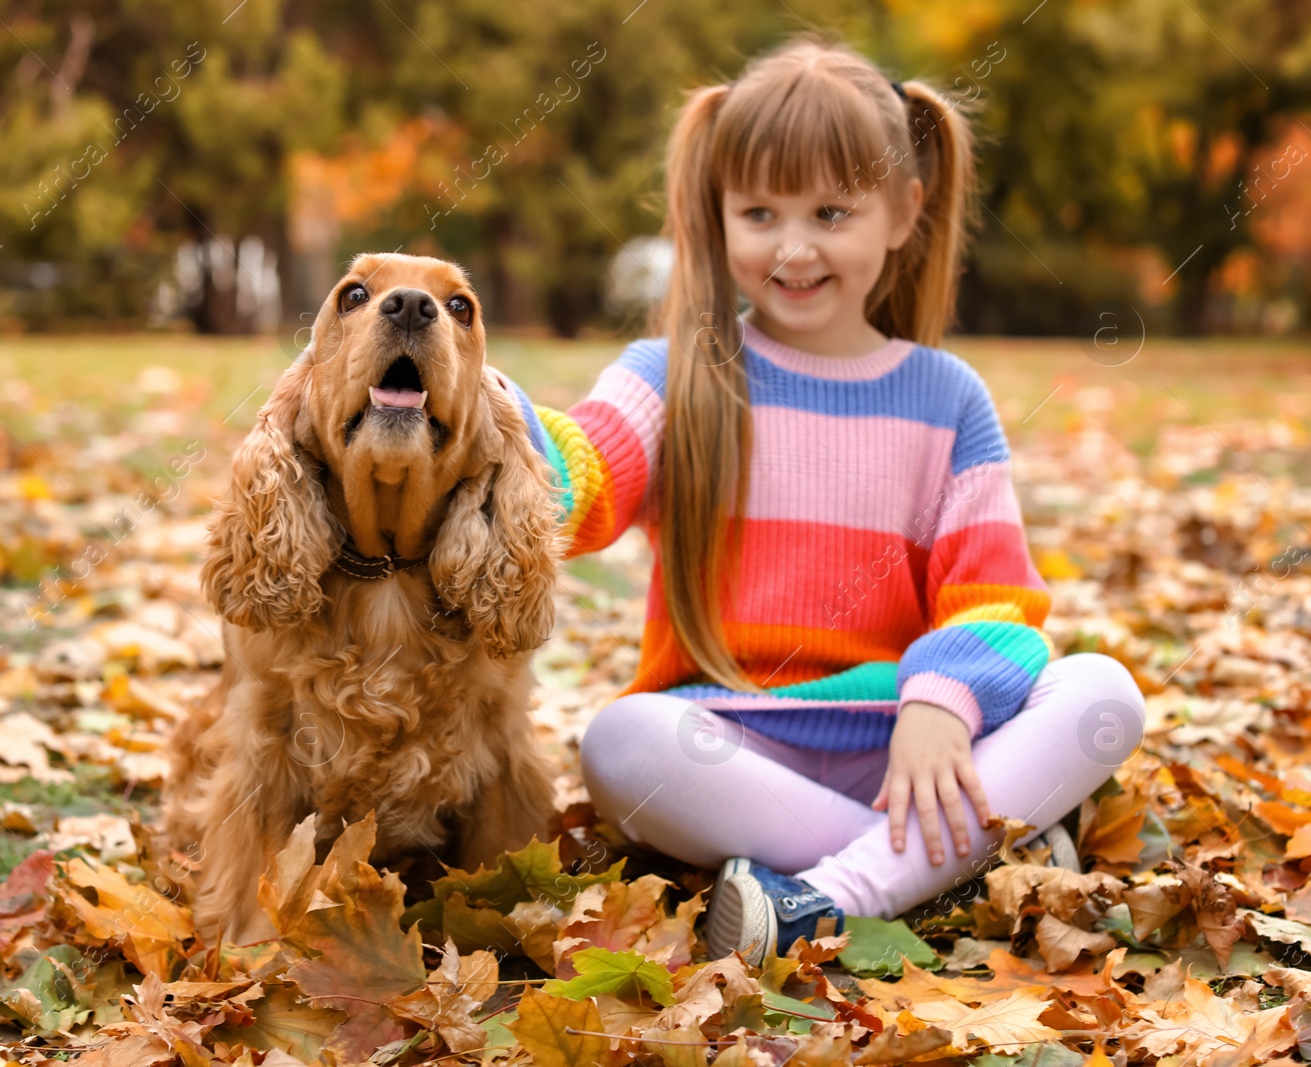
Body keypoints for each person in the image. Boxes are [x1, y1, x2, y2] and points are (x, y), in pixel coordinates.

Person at [488, 34, 1147, 962]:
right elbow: (586, 472)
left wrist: (940, 702)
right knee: (622, 743)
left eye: (831, 212)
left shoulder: (946, 397)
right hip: (738, 741)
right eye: (759, 212)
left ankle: (830, 895)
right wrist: (493, 409)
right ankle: (949, 865)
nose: (793, 248)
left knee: (1102, 691)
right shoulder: (678, 375)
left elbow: (995, 599)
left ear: (902, 211)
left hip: (911, 745)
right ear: (719, 216)